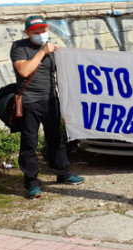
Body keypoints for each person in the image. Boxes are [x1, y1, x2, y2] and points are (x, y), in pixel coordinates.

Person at [11, 15, 84, 199]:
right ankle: (32, 183)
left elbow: (60, 77)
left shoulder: (54, 50)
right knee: (29, 142)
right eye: (37, 32)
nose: (42, 34)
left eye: (44, 31)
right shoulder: (19, 48)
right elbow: (24, 70)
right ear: (27, 33)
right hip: (29, 102)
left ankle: (63, 173)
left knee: (56, 139)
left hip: (51, 100)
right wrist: (43, 51)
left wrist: (67, 103)